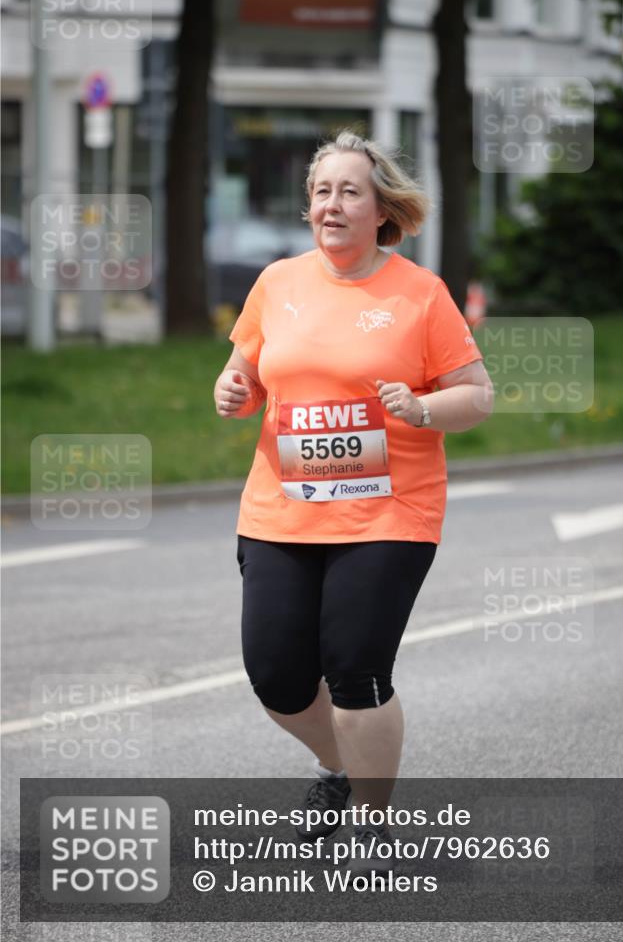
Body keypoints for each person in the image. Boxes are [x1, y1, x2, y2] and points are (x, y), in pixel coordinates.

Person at [213, 130, 494, 873]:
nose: (330, 205)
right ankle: (342, 769)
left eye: (348, 192)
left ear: (379, 211)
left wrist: (423, 409)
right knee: (275, 675)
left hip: (387, 513)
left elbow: (476, 396)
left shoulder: (418, 293)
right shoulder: (277, 283)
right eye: (320, 192)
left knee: (355, 670)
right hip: (281, 511)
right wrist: (232, 392)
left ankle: (372, 820)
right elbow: (244, 377)